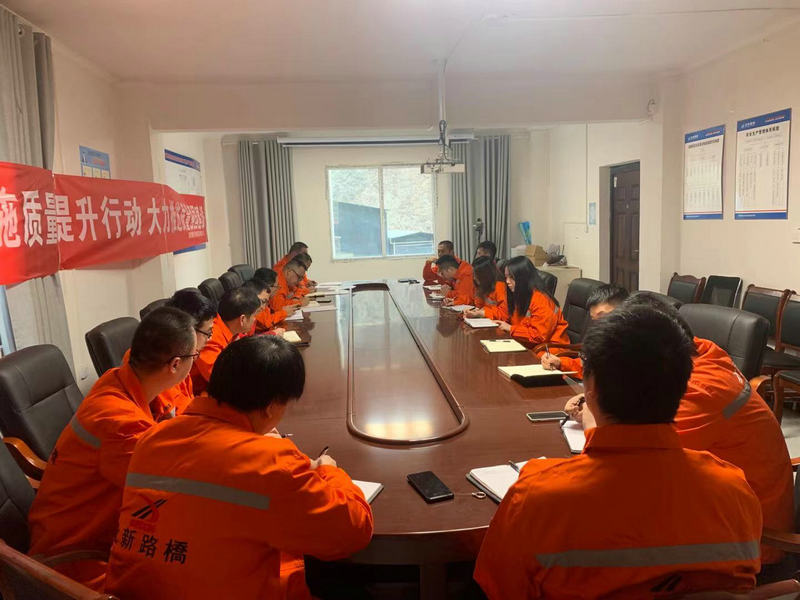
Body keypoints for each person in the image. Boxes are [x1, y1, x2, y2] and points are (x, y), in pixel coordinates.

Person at [474, 306, 763, 598]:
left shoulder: (536, 497)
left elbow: (499, 588)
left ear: (591, 387)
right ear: (683, 383)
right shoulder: (734, 490)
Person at [105, 336, 374, 600]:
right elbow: (352, 531)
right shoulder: (270, 463)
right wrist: (327, 470)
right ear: (271, 407)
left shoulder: (153, 437)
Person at [567, 292, 792, 572]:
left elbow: (627, 457)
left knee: (590, 539)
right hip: (714, 504)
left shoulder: (702, 389)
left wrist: (592, 407)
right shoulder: (703, 353)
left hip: (748, 540)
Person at [27, 308, 197, 590]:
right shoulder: (121, 423)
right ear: (175, 365)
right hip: (76, 556)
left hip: (88, 524)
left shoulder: (120, 377)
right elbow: (171, 492)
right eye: (195, 356)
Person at [144, 288, 218, 420]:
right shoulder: (161, 366)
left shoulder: (179, 351)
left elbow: (187, 401)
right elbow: (177, 419)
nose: (210, 339)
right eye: (208, 333)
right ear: (189, 331)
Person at [540, 283, 628, 377]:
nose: (598, 325)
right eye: (594, 320)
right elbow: (585, 366)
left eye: (602, 317)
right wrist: (560, 363)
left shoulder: (631, 345)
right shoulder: (601, 337)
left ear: (623, 311)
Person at [190, 286, 261, 394]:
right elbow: (220, 379)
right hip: (201, 393)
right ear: (242, 319)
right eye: (254, 315)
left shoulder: (230, 329)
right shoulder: (210, 336)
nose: (255, 319)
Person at [493, 256, 569, 346]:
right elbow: (511, 319)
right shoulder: (519, 295)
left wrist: (510, 329)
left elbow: (539, 336)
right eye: (506, 277)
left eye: (511, 277)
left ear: (524, 278)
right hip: (526, 344)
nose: (507, 281)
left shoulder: (541, 300)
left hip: (550, 348)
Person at [463, 256, 508, 320]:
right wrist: (474, 311)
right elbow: (479, 306)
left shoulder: (500, 287)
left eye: (476, 275)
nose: (474, 278)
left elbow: (504, 314)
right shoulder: (481, 286)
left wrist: (482, 313)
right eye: (473, 274)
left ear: (485, 275)